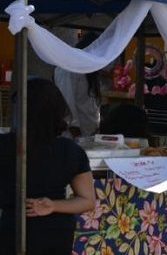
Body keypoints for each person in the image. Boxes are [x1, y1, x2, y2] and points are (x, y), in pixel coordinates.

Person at [0, 78, 95, 255]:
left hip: (11, 229)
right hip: (55, 232)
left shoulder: (4, 145)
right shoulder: (70, 150)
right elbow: (87, 200)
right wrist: (52, 205)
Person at [54, 32, 101, 137]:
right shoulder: (68, 68)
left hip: (89, 132)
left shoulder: (89, 70)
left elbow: (90, 103)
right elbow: (66, 101)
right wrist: (74, 129)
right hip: (73, 134)